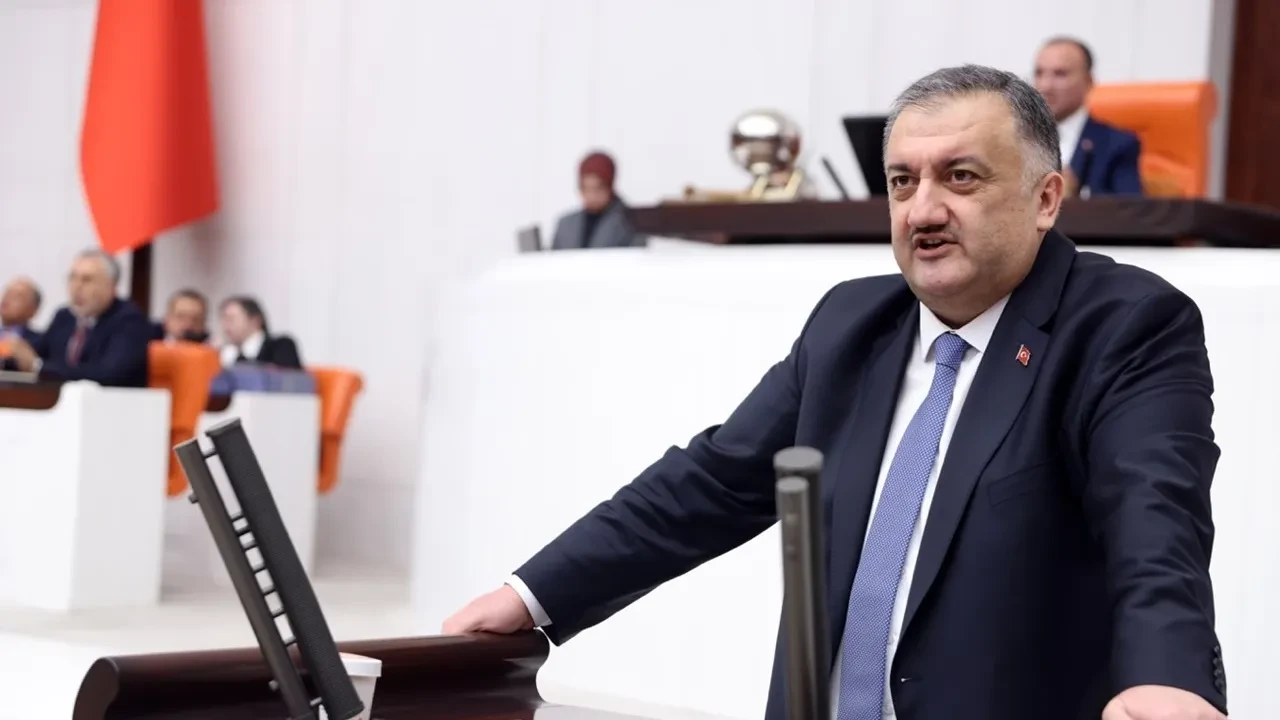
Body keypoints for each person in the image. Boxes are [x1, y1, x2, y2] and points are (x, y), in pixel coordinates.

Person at [445, 65, 1226, 720]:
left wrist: (1169, 676)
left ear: (1046, 198)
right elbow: (710, 482)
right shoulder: (851, 325)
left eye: (960, 177)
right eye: (902, 181)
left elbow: (1155, 519)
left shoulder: (1125, 327)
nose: (923, 210)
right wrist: (532, 595)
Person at [3, 249, 150, 387]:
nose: (77, 287)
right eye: (72, 278)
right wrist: (11, 356)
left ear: (110, 286)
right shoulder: (65, 317)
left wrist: (39, 367)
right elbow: (34, 353)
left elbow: (107, 374)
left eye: (87, 280)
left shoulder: (129, 320)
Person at [1034, 36, 1144, 197]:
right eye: (1039, 73)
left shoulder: (1117, 145)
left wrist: (1075, 200)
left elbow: (1129, 208)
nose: (1045, 85)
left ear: (1088, 81)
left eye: (1060, 74)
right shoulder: (1016, 137)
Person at [550, 151, 645, 250]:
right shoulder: (565, 225)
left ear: (610, 187)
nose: (592, 196)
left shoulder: (632, 224)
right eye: (585, 189)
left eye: (598, 189)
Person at [218, 296, 302, 369]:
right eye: (223, 319)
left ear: (255, 320)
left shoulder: (281, 347)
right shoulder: (224, 354)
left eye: (231, 319)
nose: (225, 325)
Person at [0, 276, 42, 342]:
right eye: (7, 294)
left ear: (32, 309)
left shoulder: (41, 343)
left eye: (16, 297)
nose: (7, 299)